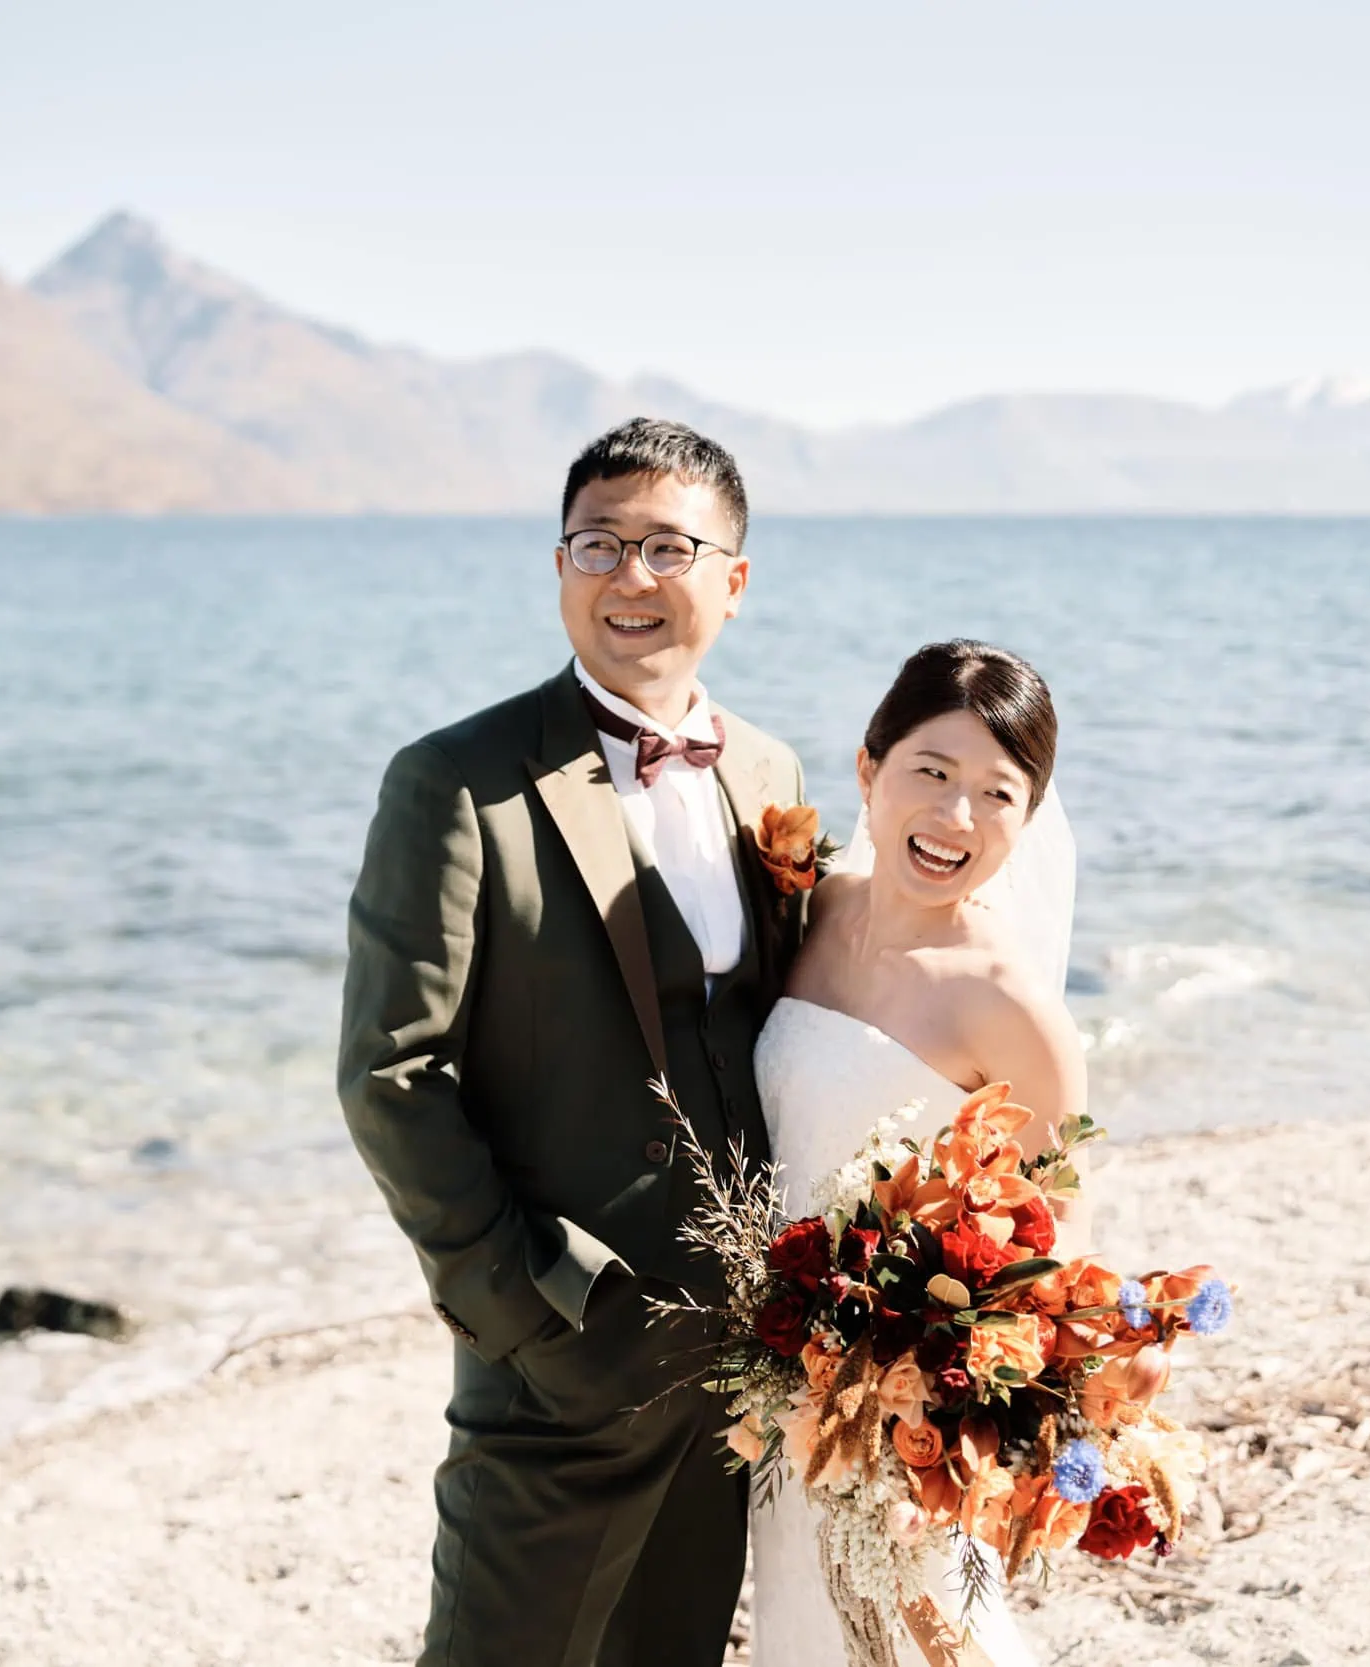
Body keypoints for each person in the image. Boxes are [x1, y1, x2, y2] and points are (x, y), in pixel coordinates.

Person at [338, 418, 809, 1667]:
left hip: (737, 1365)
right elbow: (393, 1073)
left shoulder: (768, 772)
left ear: (734, 580)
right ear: (559, 567)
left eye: (667, 546)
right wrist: (531, 1317)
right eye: (597, 542)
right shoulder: (454, 781)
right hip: (556, 1362)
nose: (629, 577)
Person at [750, 639, 1086, 1667]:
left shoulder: (1008, 1002)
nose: (954, 819)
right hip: (779, 1388)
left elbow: (1056, 1241)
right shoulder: (808, 912)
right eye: (930, 773)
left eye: (996, 792)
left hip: (911, 1423)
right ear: (867, 769)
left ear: (1026, 820)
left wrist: (951, 1428)